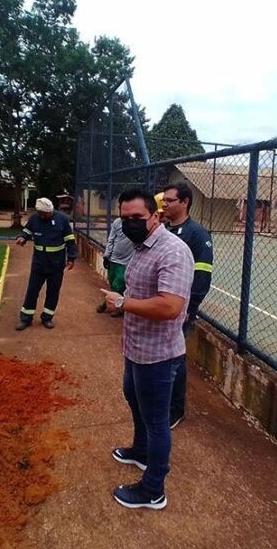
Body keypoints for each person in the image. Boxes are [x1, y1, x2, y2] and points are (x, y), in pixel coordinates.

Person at [103, 188, 193, 510]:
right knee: (133, 399)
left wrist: (125, 303)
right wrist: (123, 307)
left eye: (137, 218)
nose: (130, 224)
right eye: (124, 218)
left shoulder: (173, 251)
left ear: (155, 216)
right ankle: (141, 452)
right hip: (136, 347)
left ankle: (153, 489)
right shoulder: (140, 247)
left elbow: (170, 306)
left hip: (159, 354)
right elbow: (139, 291)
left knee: (156, 421)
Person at [160, 182, 214, 429]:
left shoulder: (198, 235)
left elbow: (202, 277)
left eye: (170, 200)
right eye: (165, 200)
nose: (165, 203)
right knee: (160, 356)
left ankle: (175, 409)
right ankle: (162, 398)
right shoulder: (163, 230)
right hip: (160, 305)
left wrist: (189, 309)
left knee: (175, 358)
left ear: (184, 202)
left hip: (180, 310)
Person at [15, 197, 77, 330]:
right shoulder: (34, 219)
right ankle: (26, 318)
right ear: (38, 211)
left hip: (56, 263)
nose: (45, 216)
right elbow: (26, 231)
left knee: (53, 291)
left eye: (47, 214)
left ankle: (47, 317)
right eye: (42, 214)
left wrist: (71, 258)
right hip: (38, 263)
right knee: (32, 290)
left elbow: (70, 240)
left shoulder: (62, 219)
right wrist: (22, 238)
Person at [96, 196, 136, 318]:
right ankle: (111, 301)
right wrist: (107, 256)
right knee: (112, 282)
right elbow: (111, 239)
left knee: (119, 284)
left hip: (127, 262)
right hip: (114, 259)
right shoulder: (117, 222)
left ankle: (113, 305)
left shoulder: (136, 224)